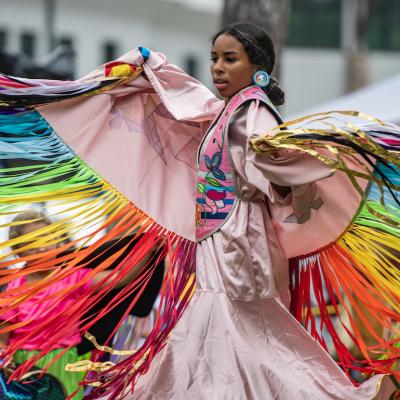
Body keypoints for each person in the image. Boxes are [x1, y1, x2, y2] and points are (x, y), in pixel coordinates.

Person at [0, 22, 398, 400]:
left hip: (240, 238)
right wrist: (149, 70)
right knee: (222, 329)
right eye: (215, 58)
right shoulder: (228, 110)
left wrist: (292, 157)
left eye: (230, 59)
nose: (218, 68)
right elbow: (186, 101)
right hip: (220, 235)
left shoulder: (252, 112)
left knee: (246, 328)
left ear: (258, 67)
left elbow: (273, 163)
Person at [0, 210, 156, 399]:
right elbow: (4, 334)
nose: (42, 249)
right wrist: (4, 357)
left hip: (64, 362)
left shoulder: (72, 278)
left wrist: (148, 248)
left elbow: (119, 278)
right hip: (23, 365)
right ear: (18, 251)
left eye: (47, 240)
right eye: (33, 245)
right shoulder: (13, 289)